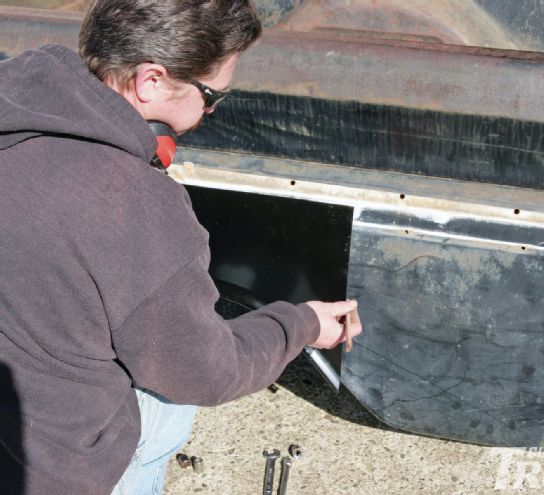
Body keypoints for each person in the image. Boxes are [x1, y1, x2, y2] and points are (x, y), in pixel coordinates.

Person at [0, 1, 362, 494]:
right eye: (211, 96)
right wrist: (300, 324)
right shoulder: (136, 207)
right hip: (47, 470)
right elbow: (204, 373)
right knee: (167, 404)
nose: (211, 110)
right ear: (150, 81)